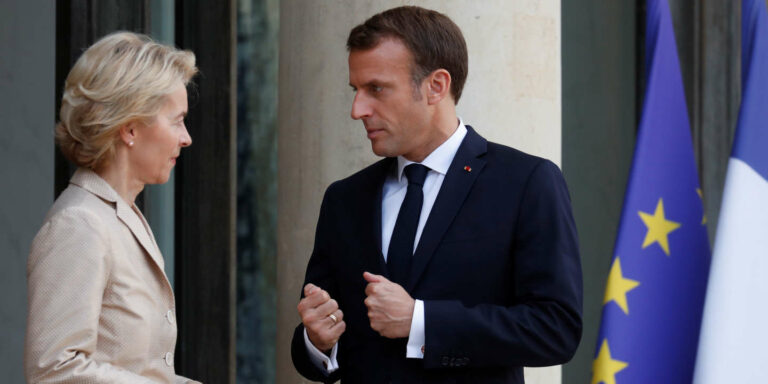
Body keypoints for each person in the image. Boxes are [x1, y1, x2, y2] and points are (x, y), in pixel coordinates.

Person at [291, 6, 582, 384]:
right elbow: (318, 347)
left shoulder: (526, 182)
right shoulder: (344, 199)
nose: (357, 110)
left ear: (436, 86)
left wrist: (421, 322)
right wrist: (317, 341)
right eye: (356, 90)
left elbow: (555, 329)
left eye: (376, 89)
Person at [25, 32, 201, 384]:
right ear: (131, 128)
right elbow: (53, 370)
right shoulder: (79, 224)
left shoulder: (118, 215)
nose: (186, 137)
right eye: (176, 119)